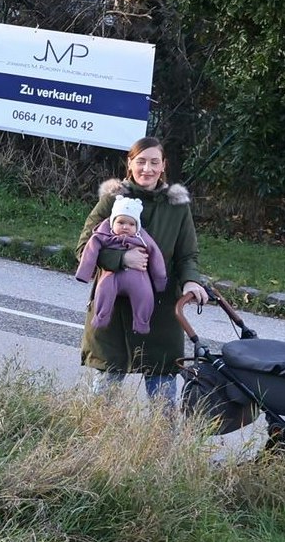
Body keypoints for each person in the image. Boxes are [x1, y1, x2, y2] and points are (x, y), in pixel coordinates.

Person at [78, 137, 210, 405]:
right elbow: (84, 249)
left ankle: (159, 435)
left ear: (163, 166)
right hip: (113, 312)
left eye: (154, 162)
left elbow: (187, 255)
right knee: (102, 401)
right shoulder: (112, 201)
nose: (147, 169)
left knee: (163, 401)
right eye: (141, 161)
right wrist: (122, 258)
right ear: (130, 164)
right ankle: (94, 434)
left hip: (161, 312)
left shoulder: (177, 207)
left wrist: (191, 281)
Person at [76, 197, 167, 335]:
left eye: (131, 224)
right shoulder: (103, 234)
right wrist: (84, 273)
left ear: (137, 226)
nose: (125, 227)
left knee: (145, 295)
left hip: (138, 277)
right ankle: (101, 318)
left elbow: (156, 256)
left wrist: (160, 281)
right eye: (121, 222)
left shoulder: (142, 238)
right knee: (104, 290)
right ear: (112, 222)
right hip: (112, 274)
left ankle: (141, 323)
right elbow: (89, 250)